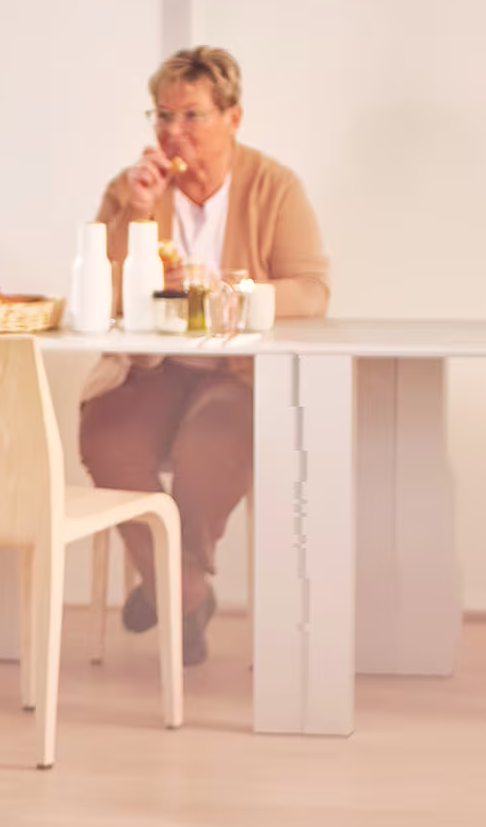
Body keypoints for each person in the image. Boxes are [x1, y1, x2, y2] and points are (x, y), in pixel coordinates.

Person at [77, 46, 329, 665]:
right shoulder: (133, 189)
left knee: (210, 450)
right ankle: (187, 591)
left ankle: (167, 587)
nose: (173, 132)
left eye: (192, 116)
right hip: (154, 367)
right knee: (106, 434)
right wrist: (136, 213)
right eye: (162, 116)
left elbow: (312, 289)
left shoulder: (275, 186)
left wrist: (230, 298)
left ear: (233, 117)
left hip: (236, 371)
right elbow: (102, 292)